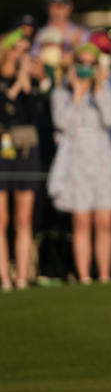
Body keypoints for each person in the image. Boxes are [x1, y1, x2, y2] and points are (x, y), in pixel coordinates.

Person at [48, 43, 111, 284]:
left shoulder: (103, 90)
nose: (86, 69)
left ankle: (105, 275)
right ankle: (84, 276)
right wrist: (76, 95)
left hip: (102, 161)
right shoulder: (61, 93)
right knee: (81, 221)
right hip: (76, 161)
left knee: (105, 220)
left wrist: (97, 89)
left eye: (91, 64)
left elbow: (110, 120)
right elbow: (63, 124)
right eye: (82, 64)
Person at [0, 29, 41, 290]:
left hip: (26, 149)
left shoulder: (32, 82)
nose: (22, 57)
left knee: (24, 219)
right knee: (1, 220)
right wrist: (16, 83)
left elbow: (35, 112)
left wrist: (26, 79)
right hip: (2, 148)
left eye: (26, 52)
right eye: (18, 51)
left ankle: (23, 276)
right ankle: (4, 276)